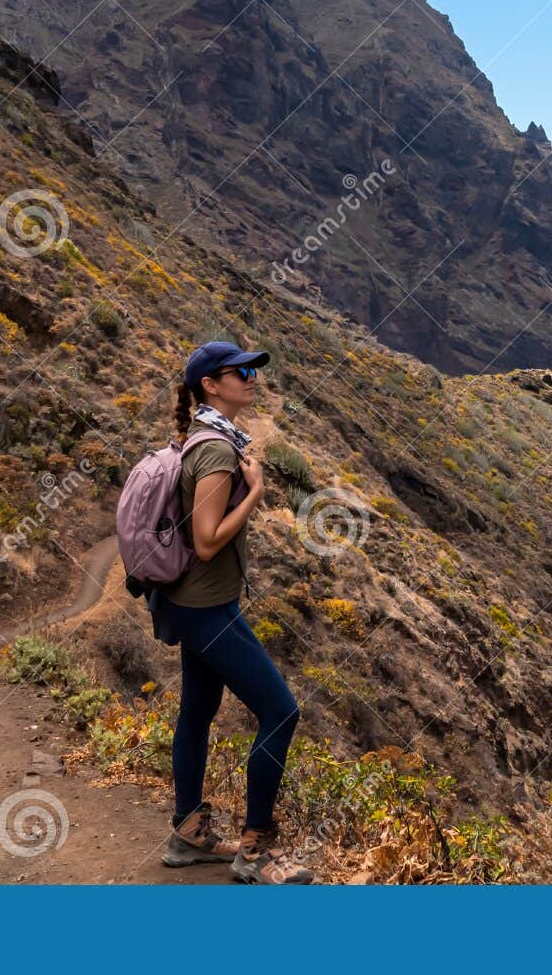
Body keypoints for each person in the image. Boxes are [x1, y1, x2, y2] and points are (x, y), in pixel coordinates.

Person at [160, 340, 313, 884]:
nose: (252, 378)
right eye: (241, 372)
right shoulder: (218, 452)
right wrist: (255, 493)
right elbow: (205, 542)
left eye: (253, 371)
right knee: (281, 712)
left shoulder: (206, 436)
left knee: (197, 713)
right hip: (207, 607)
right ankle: (256, 850)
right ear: (210, 384)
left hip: (193, 603)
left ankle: (187, 834)